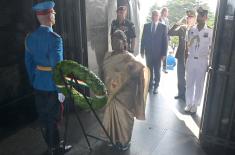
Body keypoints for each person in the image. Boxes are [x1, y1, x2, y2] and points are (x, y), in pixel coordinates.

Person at [24, 1, 71, 154]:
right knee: (53, 119)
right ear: (49, 16)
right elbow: (57, 67)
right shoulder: (55, 38)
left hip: (38, 84)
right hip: (52, 86)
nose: (54, 14)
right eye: (53, 12)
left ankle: (50, 145)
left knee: (43, 117)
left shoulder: (30, 38)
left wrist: (34, 81)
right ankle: (55, 148)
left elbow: (29, 63)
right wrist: (61, 89)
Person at [102, 30, 149, 151]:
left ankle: (124, 141)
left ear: (124, 42)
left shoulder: (129, 57)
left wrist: (128, 72)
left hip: (124, 93)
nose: (113, 43)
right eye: (112, 39)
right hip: (112, 92)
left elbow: (139, 70)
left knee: (124, 117)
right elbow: (105, 71)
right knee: (110, 115)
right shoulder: (108, 55)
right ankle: (111, 137)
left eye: (117, 40)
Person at [185, 7, 213, 113]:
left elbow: (211, 48)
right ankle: (188, 103)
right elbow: (187, 45)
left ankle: (195, 104)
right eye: (198, 15)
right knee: (189, 82)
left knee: (199, 84)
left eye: (201, 16)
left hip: (202, 60)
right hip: (191, 59)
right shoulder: (191, 29)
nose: (198, 18)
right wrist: (186, 59)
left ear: (205, 17)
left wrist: (209, 63)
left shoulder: (210, 31)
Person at [168, 10, 196, 101]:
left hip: (191, 57)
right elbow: (170, 33)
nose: (189, 19)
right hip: (181, 56)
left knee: (190, 77)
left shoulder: (196, 29)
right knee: (180, 75)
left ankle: (189, 94)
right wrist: (178, 23)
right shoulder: (182, 28)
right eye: (187, 17)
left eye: (191, 17)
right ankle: (181, 93)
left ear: (194, 18)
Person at [141, 10, 168, 94]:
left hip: (158, 53)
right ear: (151, 16)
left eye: (156, 15)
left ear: (159, 16)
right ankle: (150, 86)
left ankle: (156, 86)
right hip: (148, 52)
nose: (154, 16)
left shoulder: (163, 27)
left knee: (157, 70)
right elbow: (143, 39)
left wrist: (164, 54)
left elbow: (165, 41)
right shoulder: (146, 26)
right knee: (149, 70)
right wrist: (141, 51)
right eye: (153, 15)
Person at [160, 7, 169, 74]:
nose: (167, 13)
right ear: (163, 12)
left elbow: (168, 29)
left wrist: (169, 38)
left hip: (165, 38)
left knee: (165, 53)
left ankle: (164, 67)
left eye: (167, 12)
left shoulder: (167, 20)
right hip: (159, 39)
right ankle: (159, 67)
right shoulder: (159, 19)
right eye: (166, 12)